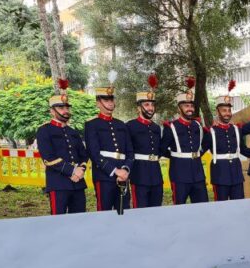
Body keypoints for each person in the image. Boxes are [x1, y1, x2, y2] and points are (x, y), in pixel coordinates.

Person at [35, 79, 88, 215]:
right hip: (58, 184)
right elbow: (48, 158)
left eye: (66, 108)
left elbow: (83, 154)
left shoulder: (73, 132)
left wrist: (81, 170)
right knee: (58, 222)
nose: (65, 111)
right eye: (61, 108)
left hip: (78, 184)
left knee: (80, 221)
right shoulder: (44, 131)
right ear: (52, 111)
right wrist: (72, 171)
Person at [84, 75, 133, 213]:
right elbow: (94, 153)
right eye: (106, 99)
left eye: (112, 99)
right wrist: (115, 170)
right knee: (104, 212)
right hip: (104, 176)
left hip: (123, 175)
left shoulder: (121, 125)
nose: (110, 102)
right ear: (98, 103)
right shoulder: (91, 125)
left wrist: (125, 170)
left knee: (124, 211)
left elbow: (130, 152)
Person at [162, 77, 209, 205]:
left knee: (203, 208)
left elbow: (206, 144)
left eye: (191, 106)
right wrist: (176, 155)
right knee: (179, 209)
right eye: (186, 106)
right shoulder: (171, 127)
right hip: (179, 175)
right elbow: (162, 149)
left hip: (198, 175)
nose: (190, 109)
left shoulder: (198, 126)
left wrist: (198, 154)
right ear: (179, 108)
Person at [125, 74, 165, 209]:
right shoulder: (130, 126)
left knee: (156, 209)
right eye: (146, 104)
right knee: (140, 211)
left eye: (152, 105)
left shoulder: (156, 127)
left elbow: (159, 150)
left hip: (156, 174)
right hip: (139, 174)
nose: (150, 108)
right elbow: (127, 151)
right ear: (138, 107)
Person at [205, 80, 245, 202]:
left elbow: (243, 149)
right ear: (217, 112)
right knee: (221, 207)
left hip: (237, 174)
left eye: (229, 110)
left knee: (239, 205)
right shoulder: (211, 132)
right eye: (224, 110)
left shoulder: (236, 129)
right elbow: (200, 150)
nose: (227, 113)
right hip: (220, 175)